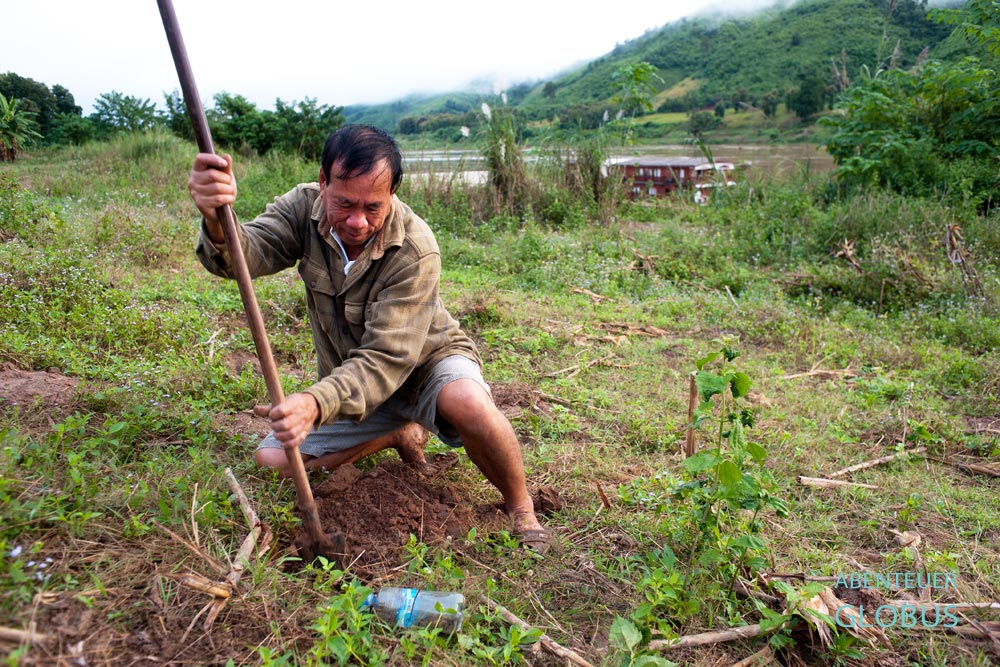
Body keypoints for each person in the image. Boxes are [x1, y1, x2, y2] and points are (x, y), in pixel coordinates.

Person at [188, 124, 550, 552]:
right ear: (323, 181)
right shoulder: (302, 208)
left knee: (469, 403)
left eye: (372, 207)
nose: (357, 221)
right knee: (270, 460)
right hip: (355, 385)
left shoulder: (416, 247)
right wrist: (216, 217)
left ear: (393, 193)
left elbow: (386, 359)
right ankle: (392, 434)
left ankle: (521, 507)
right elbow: (245, 256)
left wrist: (314, 402)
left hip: (423, 367)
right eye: (344, 203)